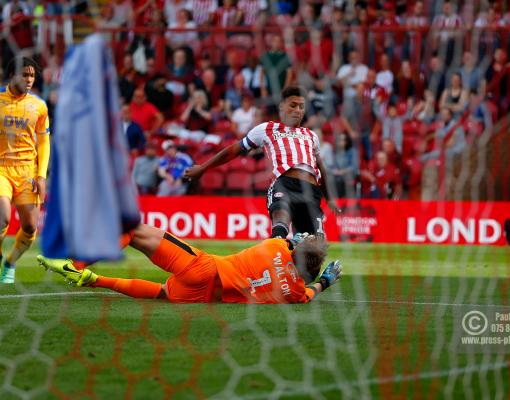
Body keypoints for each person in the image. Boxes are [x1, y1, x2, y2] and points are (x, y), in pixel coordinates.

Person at [38, 224, 342, 304]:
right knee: (161, 293)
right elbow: (311, 293)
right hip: (206, 296)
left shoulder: (276, 246)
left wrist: (295, 240)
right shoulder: (296, 292)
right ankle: (95, 280)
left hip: (205, 267)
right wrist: (325, 280)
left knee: (132, 231)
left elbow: (283, 242)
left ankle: (73, 264)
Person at [184, 86, 340, 239]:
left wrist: (330, 198)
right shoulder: (267, 129)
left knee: (314, 249)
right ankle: (280, 250)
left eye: (301, 106)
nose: (298, 110)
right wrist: (203, 168)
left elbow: (321, 168)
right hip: (285, 184)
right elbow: (233, 150)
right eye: (293, 105)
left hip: (311, 191)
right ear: (282, 106)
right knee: (280, 228)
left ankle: (295, 247)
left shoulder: (311, 135)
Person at [0, 57, 50, 283]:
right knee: (2, 218)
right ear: (12, 75)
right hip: (1, 169)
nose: (29, 79)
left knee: (30, 227)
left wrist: (41, 175)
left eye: (32, 75)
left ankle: (9, 263)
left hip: (27, 172)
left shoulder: (39, 106)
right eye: (25, 74)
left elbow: (43, 143)